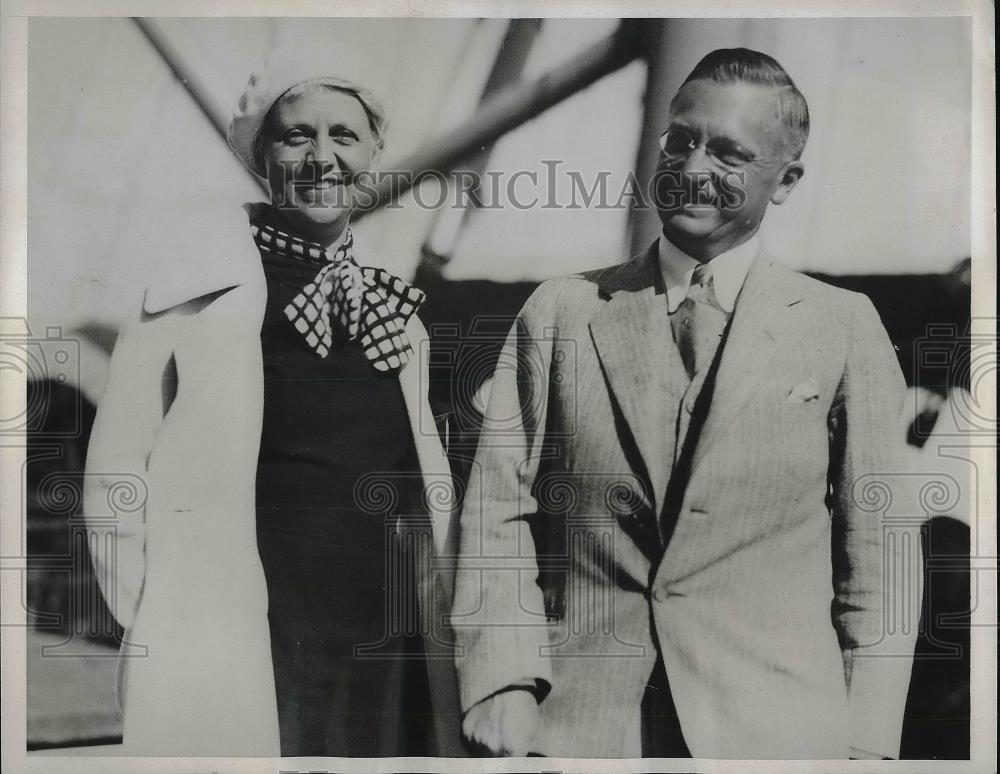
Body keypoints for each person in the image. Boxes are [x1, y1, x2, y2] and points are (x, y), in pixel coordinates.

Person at [451, 48, 919, 759]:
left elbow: (880, 560)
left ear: (786, 180)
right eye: (681, 139)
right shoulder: (561, 311)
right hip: (584, 727)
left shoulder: (842, 326)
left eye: (729, 153)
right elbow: (496, 511)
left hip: (781, 731)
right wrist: (503, 682)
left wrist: (867, 742)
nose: (693, 167)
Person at [83, 51, 461, 756]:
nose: (323, 158)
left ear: (374, 154)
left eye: (344, 136)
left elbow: (424, 483)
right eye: (297, 136)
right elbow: (115, 469)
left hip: (380, 638)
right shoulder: (188, 295)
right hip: (244, 636)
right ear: (263, 157)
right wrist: (160, 620)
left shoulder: (394, 314)